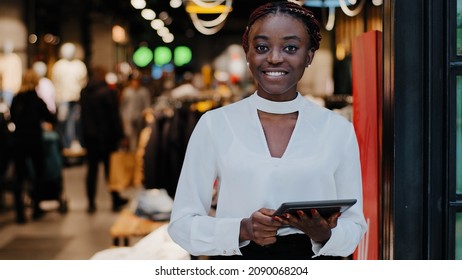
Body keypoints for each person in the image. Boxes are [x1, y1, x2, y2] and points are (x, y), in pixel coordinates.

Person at [168, 1, 367, 259]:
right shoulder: (215, 124)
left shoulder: (338, 129)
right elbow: (182, 225)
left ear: (309, 56)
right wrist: (242, 229)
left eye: (291, 48)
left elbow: (354, 227)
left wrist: (324, 235)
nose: (274, 57)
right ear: (248, 53)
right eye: (262, 47)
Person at [9, 69, 56, 223]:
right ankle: (36, 208)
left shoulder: (16, 99)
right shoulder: (36, 100)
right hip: (34, 140)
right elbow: (50, 118)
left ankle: (20, 213)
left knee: (20, 177)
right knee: (39, 174)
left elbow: (12, 118)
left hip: (18, 141)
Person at [79, 66, 127, 213]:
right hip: (107, 137)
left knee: (92, 170)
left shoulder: (84, 93)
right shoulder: (108, 92)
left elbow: (82, 117)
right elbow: (114, 116)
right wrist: (121, 135)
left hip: (90, 137)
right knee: (110, 170)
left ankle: (91, 203)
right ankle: (115, 199)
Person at [119, 73, 151, 152]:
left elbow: (147, 106)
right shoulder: (126, 91)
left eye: (137, 80)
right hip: (129, 118)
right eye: (133, 81)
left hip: (140, 118)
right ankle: (132, 157)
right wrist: (123, 119)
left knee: (141, 139)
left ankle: (139, 158)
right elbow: (122, 107)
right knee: (131, 139)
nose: (135, 82)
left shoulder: (144, 91)